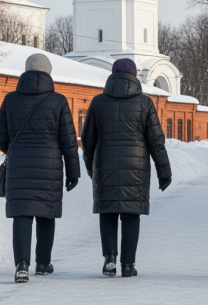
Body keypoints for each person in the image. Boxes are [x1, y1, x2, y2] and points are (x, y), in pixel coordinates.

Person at [0, 54, 80, 283]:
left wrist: (14, 148)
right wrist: (73, 172)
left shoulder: (10, 99)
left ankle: (22, 265)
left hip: (19, 165)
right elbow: (69, 140)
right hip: (49, 166)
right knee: (46, 213)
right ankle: (43, 263)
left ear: (26, 70)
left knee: (21, 215)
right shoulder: (59, 101)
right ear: (48, 73)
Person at [82, 58, 172, 278]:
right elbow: (156, 141)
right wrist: (164, 171)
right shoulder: (145, 103)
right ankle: (128, 265)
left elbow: (88, 140)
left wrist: (91, 167)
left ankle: (110, 257)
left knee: (108, 212)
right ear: (133, 77)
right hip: (136, 166)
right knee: (131, 215)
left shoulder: (98, 102)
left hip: (105, 164)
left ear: (112, 76)